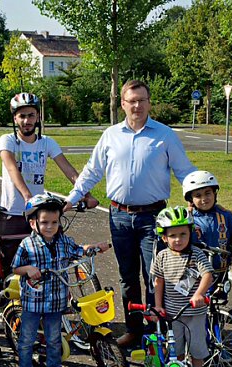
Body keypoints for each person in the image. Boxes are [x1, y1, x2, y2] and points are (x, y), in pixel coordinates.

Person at [67, 79, 197, 347]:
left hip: (153, 217)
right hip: (119, 217)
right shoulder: (111, 135)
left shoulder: (164, 135)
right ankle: (134, 329)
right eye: (132, 101)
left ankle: (155, 333)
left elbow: (184, 170)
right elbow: (92, 171)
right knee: (127, 276)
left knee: (154, 276)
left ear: (149, 103)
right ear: (123, 104)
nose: (137, 106)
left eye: (142, 100)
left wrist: (196, 196)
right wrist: (71, 199)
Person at [0, 92, 98, 332]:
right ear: (14, 119)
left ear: (38, 117)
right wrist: (28, 197)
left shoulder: (47, 143)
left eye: (31, 115)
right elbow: (12, 169)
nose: (27, 121)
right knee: (11, 264)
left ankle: (49, 306)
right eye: (21, 116)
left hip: (38, 216)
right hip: (13, 211)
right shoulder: (7, 141)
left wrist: (86, 194)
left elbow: (69, 171)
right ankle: (5, 308)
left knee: (50, 260)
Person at [11, 193, 111, 367]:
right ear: (33, 223)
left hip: (56, 303)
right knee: (27, 340)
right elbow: (15, 267)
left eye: (54, 222)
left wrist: (94, 248)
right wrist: (28, 269)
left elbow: (79, 250)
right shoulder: (27, 245)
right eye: (44, 222)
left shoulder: (64, 242)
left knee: (54, 339)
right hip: (32, 303)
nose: (50, 226)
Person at [151, 206, 214, 367]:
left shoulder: (196, 254)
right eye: (173, 235)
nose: (178, 239)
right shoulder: (162, 256)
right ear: (164, 237)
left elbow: (207, 275)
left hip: (194, 313)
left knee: (197, 348)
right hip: (173, 314)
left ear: (190, 233)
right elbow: (158, 282)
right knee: (175, 348)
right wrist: (158, 305)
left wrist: (199, 294)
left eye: (183, 234)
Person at [183, 170, 232, 274]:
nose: (204, 199)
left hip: (221, 272)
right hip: (195, 274)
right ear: (191, 199)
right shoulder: (186, 219)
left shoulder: (226, 216)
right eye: (198, 196)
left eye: (207, 193)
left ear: (214, 194)